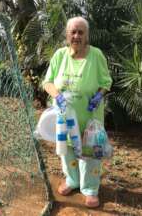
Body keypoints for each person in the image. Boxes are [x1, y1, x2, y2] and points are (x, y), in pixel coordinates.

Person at [42, 16, 112, 208]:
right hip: (64, 116)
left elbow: (106, 82)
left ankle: (90, 189)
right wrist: (58, 96)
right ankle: (72, 180)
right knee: (67, 151)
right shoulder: (59, 55)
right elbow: (47, 82)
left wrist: (99, 95)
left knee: (89, 151)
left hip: (90, 117)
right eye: (73, 32)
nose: (76, 35)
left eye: (81, 32)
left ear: (87, 35)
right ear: (67, 35)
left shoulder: (96, 55)